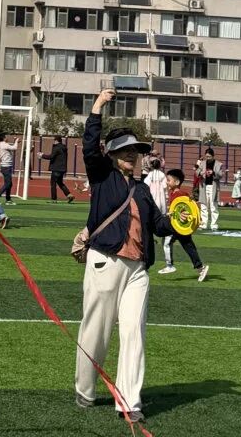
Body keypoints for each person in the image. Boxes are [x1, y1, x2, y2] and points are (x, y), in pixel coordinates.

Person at [75, 89, 176, 424]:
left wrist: (181, 221)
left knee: (134, 333)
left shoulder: (143, 189)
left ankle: (129, 401)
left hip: (137, 271)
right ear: (113, 154)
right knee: (96, 332)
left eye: (136, 150)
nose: (133, 155)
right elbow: (89, 147)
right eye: (126, 150)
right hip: (106, 261)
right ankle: (85, 389)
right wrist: (97, 107)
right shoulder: (102, 176)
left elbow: (158, 225)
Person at [158, 168, 209, 282]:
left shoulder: (178, 194)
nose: (167, 182)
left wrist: (173, 214)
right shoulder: (180, 193)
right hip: (182, 227)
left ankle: (170, 266)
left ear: (176, 182)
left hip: (178, 226)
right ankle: (201, 268)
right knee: (189, 246)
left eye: (169, 180)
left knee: (167, 242)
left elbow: (186, 208)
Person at [197, 148, 222, 231]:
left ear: (213, 156)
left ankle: (214, 225)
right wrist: (201, 173)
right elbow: (197, 172)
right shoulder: (202, 163)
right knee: (204, 206)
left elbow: (220, 175)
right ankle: (204, 224)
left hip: (213, 187)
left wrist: (213, 173)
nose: (208, 158)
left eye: (209, 156)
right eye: (206, 156)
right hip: (204, 186)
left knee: (213, 206)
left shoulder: (218, 164)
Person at [42, 136, 72, 203]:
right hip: (62, 168)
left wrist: (42, 155)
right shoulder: (64, 147)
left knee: (53, 184)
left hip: (56, 168)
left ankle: (54, 199)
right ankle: (69, 194)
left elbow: (51, 156)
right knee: (60, 183)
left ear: (56, 140)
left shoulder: (56, 148)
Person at [0, 133, 20, 205]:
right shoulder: (3, 144)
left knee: (9, 184)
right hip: (6, 167)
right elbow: (14, 148)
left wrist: (16, 142)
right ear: (4, 138)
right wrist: (16, 141)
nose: (8, 138)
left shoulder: (4, 144)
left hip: (7, 166)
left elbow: (12, 147)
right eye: (6, 137)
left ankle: (8, 199)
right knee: (8, 183)